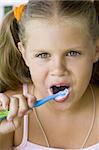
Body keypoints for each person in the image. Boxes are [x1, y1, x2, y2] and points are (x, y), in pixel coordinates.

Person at [0, 0, 99, 150]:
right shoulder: (8, 114)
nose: (58, 69)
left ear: (96, 50)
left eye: (73, 53)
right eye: (43, 54)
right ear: (24, 54)